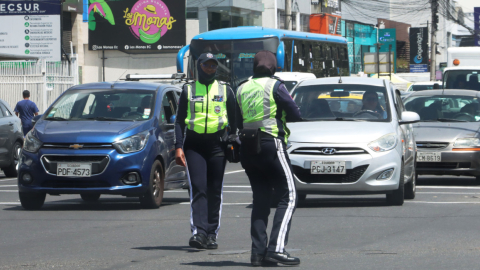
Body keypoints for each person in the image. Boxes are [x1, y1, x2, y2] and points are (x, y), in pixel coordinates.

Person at [235, 50, 302, 266]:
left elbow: (236, 119)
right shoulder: (276, 85)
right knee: (289, 195)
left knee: (261, 200)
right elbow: (295, 113)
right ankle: (277, 248)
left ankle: (258, 253)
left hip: (247, 146)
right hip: (271, 142)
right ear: (273, 67)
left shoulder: (241, 87)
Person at [174, 53, 237, 250]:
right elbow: (178, 121)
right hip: (194, 145)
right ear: (199, 66)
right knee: (198, 187)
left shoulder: (226, 89)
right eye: (206, 65)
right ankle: (199, 232)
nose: (210, 68)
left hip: (217, 145)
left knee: (214, 189)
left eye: (213, 65)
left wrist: (232, 141)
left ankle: (211, 234)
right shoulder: (188, 89)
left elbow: (235, 120)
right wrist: (178, 147)